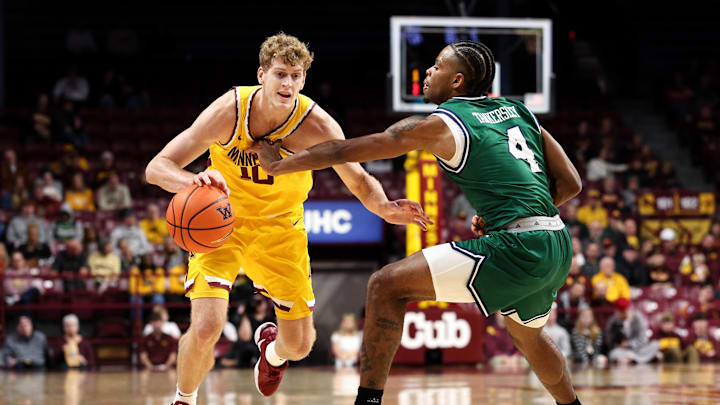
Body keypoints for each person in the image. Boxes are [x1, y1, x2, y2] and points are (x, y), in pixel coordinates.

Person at [252, 40, 582, 405]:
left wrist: (278, 164)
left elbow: (347, 149)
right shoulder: (518, 110)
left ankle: (368, 402)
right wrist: (513, 216)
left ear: (457, 82)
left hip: (517, 248)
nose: (428, 71)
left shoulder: (443, 125)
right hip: (555, 242)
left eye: (437, 66)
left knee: (385, 286)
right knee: (528, 337)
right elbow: (571, 183)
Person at [144, 33, 428, 403]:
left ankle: (272, 352)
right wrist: (192, 180)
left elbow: (356, 177)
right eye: (280, 74)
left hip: (281, 229)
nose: (288, 83)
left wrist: (383, 206)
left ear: (304, 79)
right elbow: (157, 167)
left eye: (296, 76)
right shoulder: (229, 111)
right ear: (262, 74)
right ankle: (183, 398)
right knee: (207, 326)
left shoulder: (318, 127)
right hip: (223, 224)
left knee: (300, 345)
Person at [605, 297, 659, 365]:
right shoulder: (613, 321)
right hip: (622, 350)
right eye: (621, 311)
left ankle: (633, 358)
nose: (623, 313)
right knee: (613, 354)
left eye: (624, 310)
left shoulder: (638, 318)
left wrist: (629, 344)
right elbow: (609, 341)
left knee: (655, 345)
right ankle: (635, 359)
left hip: (639, 349)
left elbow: (643, 339)